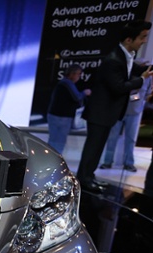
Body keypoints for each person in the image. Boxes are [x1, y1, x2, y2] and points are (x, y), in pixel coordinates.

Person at [76, 20, 153, 193]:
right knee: (93, 148)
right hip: (99, 113)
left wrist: (143, 71)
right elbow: (118, 86)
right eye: (142, 38)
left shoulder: (125, 56)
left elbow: (131, 71)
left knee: (96, 148)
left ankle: (89, 176)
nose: (144, 41)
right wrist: (142, 79)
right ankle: (84, 179)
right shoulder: (113, 59)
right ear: (128, 39)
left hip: (106, 113)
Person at [99, 63, 152, 173]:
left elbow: (147, 94)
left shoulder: (148, 79)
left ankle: (129, 163)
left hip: (135, 112)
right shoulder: (125, 75)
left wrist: (141, 105)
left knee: (131, 139)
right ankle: (107, 162)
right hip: (119, 111)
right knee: (112, 137)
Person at [47, 64, 91, 154]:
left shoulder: (62, 83)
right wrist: (85, 93)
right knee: (59, 141)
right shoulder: (68, 83)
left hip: (54, 115)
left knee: (53, 140)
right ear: (72, 74)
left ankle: (49, 159)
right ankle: (56, 162)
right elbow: (77, 97)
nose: (79, 77)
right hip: (63, 117)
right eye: (78, 74)